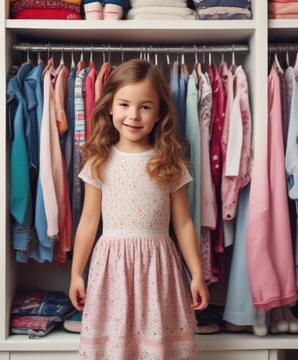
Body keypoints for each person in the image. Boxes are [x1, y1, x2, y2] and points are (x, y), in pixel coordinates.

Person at [69, 58, 209, 359]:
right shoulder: (99, 160)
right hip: (112, 269)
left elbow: (183, 223)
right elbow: (89, 221)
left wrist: (197, 274)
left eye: (145, 106)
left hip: (157, 269)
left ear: (159, 113)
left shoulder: (169, 161)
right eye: (124, 105)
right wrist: (76, 272)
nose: (133, 115)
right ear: (109, 106)